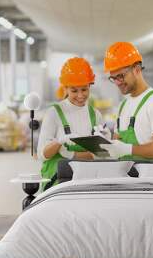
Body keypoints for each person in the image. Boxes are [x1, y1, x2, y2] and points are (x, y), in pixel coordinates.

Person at [37, 57, 106, 191]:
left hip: (86, 184)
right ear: (65, 89)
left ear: (90, 86)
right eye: (74, 91)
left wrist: (70, 155)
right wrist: (58, 142)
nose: (80, 95)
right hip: (56, 185)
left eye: (84, 89)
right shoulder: (54, 113)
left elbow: (101, 155)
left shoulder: (95, 115)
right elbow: (42, 154)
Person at [100, 42, 153, 160]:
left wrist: (128, 149)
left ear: (137, 69)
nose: (117, 82)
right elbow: (119, 143)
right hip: (125, 176)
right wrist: (106, 139)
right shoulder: (123, 105)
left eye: (120, 76)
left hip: (148, 177)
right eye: (113, 78)